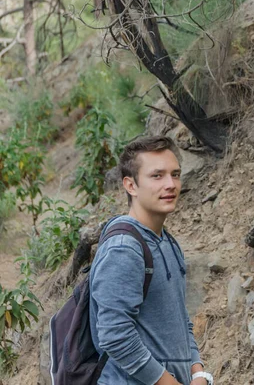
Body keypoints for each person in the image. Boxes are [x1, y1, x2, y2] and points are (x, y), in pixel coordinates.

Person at [89, 136, 212, 385]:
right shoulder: (123, 249)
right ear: (130, 185)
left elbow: (180, 319)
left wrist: (197, 371)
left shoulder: (166, 241)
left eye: (175, 174)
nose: (170, 184)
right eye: (157, 176)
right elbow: (115, 335)